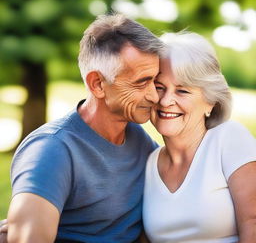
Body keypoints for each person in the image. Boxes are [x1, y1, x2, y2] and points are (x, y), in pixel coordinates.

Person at [0, 13, 165, 243]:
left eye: (155, 81)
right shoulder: (51, 150)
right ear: (97, 84)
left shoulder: (139, 140)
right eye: (141, 82)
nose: (155, 95)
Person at [143, 32, 256, 243]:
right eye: (159, 88)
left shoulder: (228, 139)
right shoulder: (149, 163)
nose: (166, 101)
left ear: (211, 102)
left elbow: (253, 224)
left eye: (182, 91)